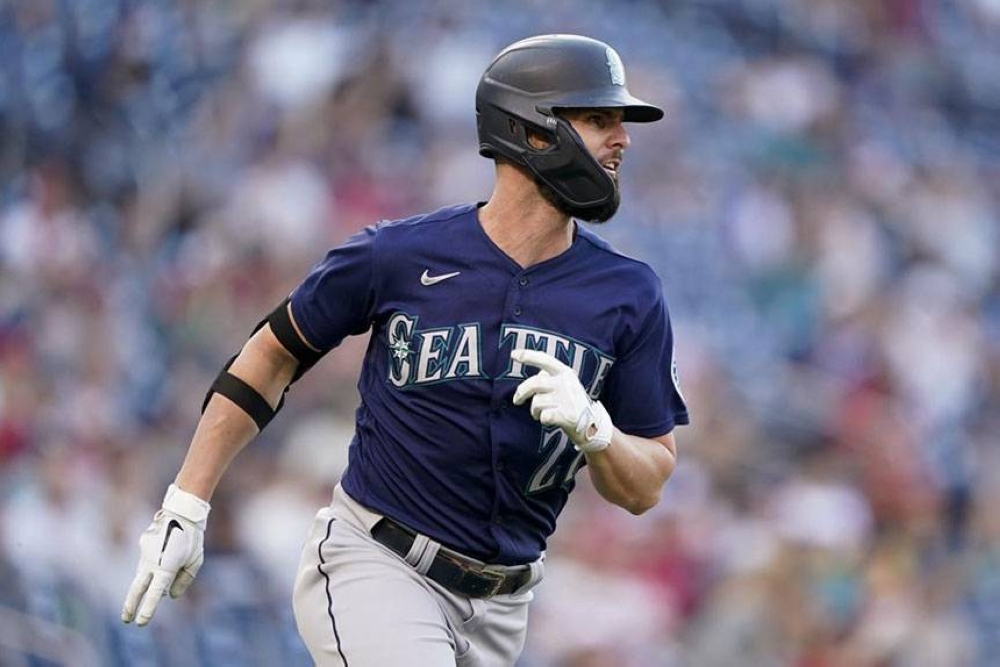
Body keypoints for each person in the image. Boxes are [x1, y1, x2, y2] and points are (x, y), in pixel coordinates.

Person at [120, 33, 689, 666]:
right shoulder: (397, 255)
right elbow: (269, 357)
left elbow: (648, 483)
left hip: (504, 609)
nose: (623, 138)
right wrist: (186, 503)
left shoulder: (630, 293)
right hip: (380, 561)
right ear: (532, 130)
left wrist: (596, 430)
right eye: (598, 118)